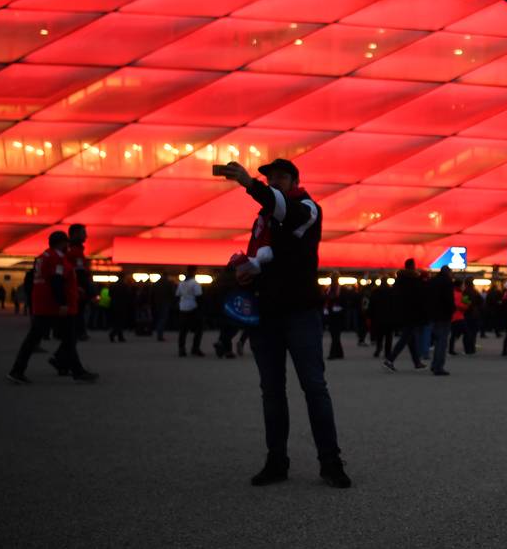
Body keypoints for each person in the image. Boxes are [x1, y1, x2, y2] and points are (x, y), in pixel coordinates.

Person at [219, 158, 351, 489]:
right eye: (270, 178)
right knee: (272, 391)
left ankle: (330, 461)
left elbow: (287, 214)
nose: (274, 181)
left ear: (294, 181)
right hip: (267, 313)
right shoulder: (263, 219)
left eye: (280, 177)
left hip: (300, 312)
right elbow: (263, 258)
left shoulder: (307, 209)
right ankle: (276, 460)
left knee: (314, 387)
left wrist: (251, 185)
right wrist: (244, 273)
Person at [7, 231, 98, 384]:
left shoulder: (44, 256)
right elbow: (56, 280)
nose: (68, 246)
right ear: (62, 243)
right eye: (66, 243)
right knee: (66, 337)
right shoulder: (57, 258)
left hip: (43, 304)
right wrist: (62, 303)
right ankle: (18, 370)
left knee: (53, 337)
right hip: (52, 306)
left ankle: (76, 371)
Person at [383, 260, 426, 371]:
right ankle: (390, 359)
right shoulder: (414, 280)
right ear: (412, 267)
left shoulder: (399, 280)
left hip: (401, 312)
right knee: (406, 337)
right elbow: (418, 297)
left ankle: (417, 362)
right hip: (411, 313)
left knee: (410, 338)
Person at [426, 266, 454, 376]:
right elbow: (449, 299)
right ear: (448, 272)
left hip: (434, 314)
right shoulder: (447, 282)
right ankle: (438, 366)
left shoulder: (432, 281)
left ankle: (434, 365)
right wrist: (452, 310)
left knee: (437, 340)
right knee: (442, 342)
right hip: (444, 315)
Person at [66, 224, 92, 340]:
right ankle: (76, 332)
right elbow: (79, 272)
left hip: (76, 288)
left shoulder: (74, 250)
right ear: (75, 234)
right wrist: (83, 287)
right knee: (77, 310)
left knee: (78, 311)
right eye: (83, 233)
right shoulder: (74, 251)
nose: (86, 236)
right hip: (76, 289)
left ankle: (77, 332)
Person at [176, 267, 204, 357]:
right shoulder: (195, 283)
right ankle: (195, 348)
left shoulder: (181, 283)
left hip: (183, 308)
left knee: (183, 330)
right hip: (193, 308)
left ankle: (181, 349)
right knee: (199, 329)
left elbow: (177, 295)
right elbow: (199, 296)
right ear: (194, 272)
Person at [152, 272, 175, 342]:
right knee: (163, 319)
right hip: (165, 303)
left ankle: (159, 333)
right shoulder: (168, 283)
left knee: (159, 318)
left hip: (157, 303)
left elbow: (152, 294)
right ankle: (160, 335)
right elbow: (172, 293)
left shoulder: (156, 283)